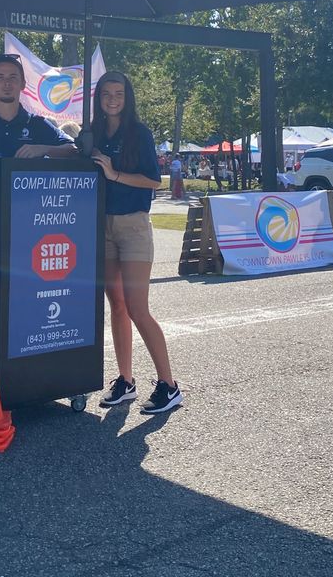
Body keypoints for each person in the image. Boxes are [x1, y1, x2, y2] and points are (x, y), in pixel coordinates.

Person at [91, 71, 183, 414]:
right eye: (106, 94)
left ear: (127, 98)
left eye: (118, 93)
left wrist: (114, 173)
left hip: (133, 227)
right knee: (116, 305)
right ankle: (126, 380)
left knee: (137, 307)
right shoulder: (96, 132)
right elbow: (72, 149)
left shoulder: (139, 134)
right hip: (103, 226)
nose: (112, 99)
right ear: (99, 98)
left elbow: (153, 182)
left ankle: (170, 386)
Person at [0, 54, 76, 158]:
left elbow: (74, 148)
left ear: (23, 84)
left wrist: (44, 149)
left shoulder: (37, 124)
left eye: (13, 77)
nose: (7, 83)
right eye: (0, 77)